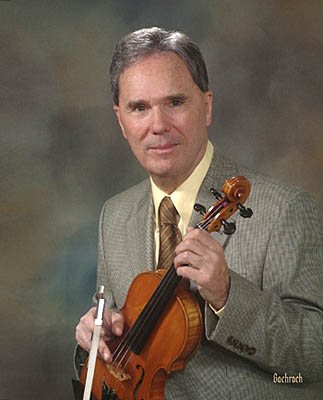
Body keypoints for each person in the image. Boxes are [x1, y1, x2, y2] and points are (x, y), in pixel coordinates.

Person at [75, 27, 323, 399]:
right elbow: (114, 348)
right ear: (121, 121)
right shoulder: (115, 215)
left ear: (206, 106)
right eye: (139, 107)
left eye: (175, 102)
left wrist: (227, 294)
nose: (158, 125)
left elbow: (315, 355)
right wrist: (94, 341)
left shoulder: (286, 210)